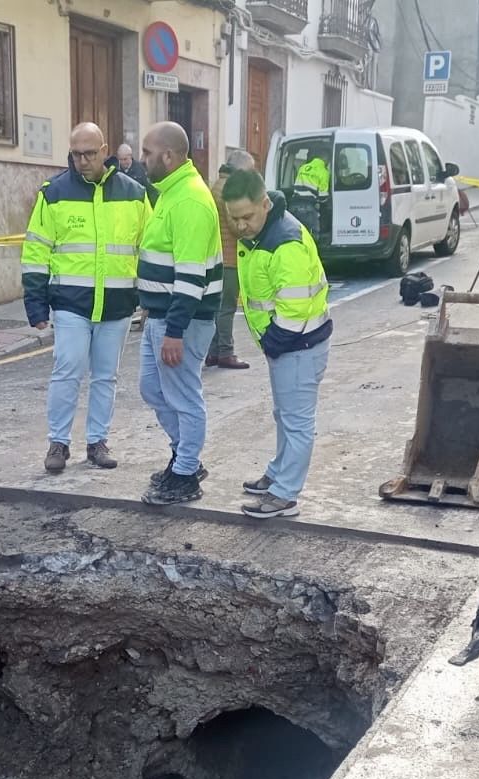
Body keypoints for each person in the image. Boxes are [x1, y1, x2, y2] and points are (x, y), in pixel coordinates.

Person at [20, 122, 149, 473]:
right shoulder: (54, 193)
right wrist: (35, 303)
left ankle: (97, 442)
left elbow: (149, 249)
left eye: (89, 153)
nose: (82, 161)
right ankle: (58, 443)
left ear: (104, 150)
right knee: (67, 371)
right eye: (76, 154)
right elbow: (36, 251)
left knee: (106, 376)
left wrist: (152, 298)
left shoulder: (134, 194)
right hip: (70, 303)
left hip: (117, 303)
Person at [221, 169, 333, 520]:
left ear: (265, 204)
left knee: (297, 422)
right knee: (284, 415)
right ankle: (279, 472)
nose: (240, 226)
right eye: (233, 218)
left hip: (297, 344)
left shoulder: (285, 244)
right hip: (287, 344)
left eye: (247, 216)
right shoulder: (263, 234)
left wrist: (273, 341)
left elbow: (294, 307)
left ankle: (284, 495)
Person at [136, 121, 223, 505]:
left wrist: (174, 330)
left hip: (181, 320)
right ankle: (184, 456)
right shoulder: (169, 194)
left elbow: (191, 277)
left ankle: (186, 474)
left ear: (168, 156)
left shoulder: (187, 200)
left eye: (147, 153)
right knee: (153, 389)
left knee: (184, 397)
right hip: (162, 316)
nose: (142, 159)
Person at [208, 149, 257, 371]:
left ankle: (213, 351)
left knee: (217, 308)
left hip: (217, 256)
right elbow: (236, 225)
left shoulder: (218, 184)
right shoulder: (230, 189)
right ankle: (226, 352)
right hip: (229, 258)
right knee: (226, 307)